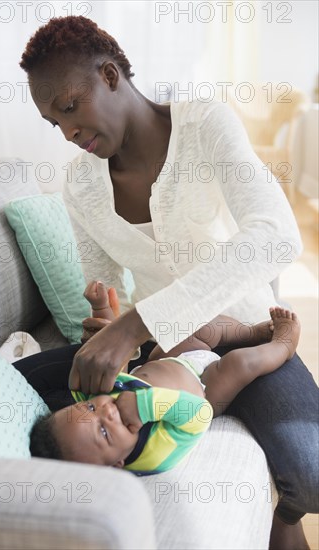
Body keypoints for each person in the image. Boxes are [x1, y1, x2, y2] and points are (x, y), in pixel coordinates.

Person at [17, 15, 318, 549]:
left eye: (69, 109)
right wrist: (107, 317)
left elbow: (275, 235)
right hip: (159, 352)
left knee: (312, 473)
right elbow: (105, 284)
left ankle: (286, 513)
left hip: (243, 325)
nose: (68, 133)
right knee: (14, 391)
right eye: (53, 123)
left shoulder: (205, 124)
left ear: (110, 75)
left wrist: (135, 323)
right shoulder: (80, 182)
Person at [30, 282, 300, 477]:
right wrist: (144, 406)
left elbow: (114, 364)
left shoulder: (100, 405)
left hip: (163, 361)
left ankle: (248, 333)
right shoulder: (154, 453)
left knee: (196, 328)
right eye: (103, 431)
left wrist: (102, 313)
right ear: (116, 466)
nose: (106, 411)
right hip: (204, 389)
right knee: (239, 364)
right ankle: (283, 345)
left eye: (88, 408)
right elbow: (198, 414)